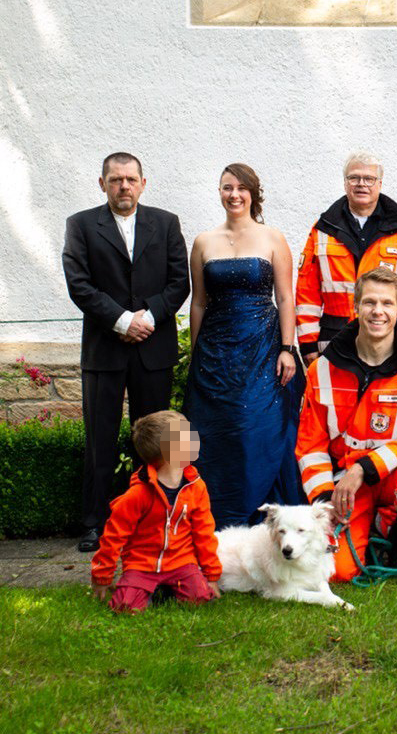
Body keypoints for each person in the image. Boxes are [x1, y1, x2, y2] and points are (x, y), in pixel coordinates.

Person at [62, 152, 191, 552]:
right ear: (102, 184)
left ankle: (151, 519)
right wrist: (121, 320)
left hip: (153, 348)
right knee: (100, 438)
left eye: (131, 179)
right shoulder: (81, 225)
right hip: (105, 348)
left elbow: (179, 281)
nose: (124, 186)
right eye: (116, 180)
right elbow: (78, 283)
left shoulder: (166, 223)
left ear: (143, 183)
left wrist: (147, 317)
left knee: (154, 440)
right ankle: (95, 524)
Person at [296, 267, 397, 583]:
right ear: (355, 307)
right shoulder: (322, 369)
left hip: (395, 476)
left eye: (387, 304)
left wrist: (364, 468)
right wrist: (325, 501)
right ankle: (373, 526)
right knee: (338, 573)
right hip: (346, 486)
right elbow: (310, 448)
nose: (378, 311)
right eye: (369, 303)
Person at [184, 163, 304, 528]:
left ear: (253, 193)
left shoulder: (272, 238)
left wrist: (287, 348)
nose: (233, 194)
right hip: (215, 353)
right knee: (214, 434)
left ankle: (264, 517)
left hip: (262, 350)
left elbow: (285, 298)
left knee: (259, 426)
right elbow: (199, 302)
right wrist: (195, 353)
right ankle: (213, 519)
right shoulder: (204, 241)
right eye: (226, 187)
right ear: (219, 192)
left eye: (241, 188)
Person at [90, 410, 221, 613]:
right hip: (141, 564)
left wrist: (211, 576)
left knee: (201, 598)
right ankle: (148, 589)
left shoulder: (196, 487)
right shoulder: (137, 494)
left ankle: (166, 589)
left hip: (182, 562)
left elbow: (205, 533)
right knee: (125, 607)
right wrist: (102, 576)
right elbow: (113, 536)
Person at [296, 152, 397, 362]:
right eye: (354, 178)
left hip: (388, 340)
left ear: (380, 184)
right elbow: (307, 293)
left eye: (369, 179)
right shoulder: (323, 232)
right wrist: (308, 343)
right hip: (333, 340)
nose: (361, 184)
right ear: (345, 184)